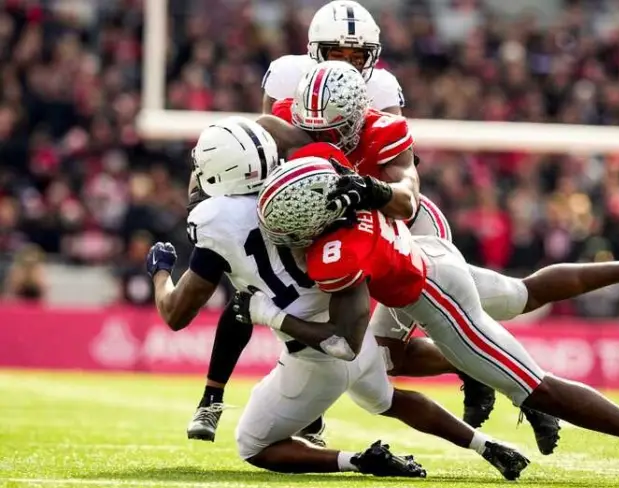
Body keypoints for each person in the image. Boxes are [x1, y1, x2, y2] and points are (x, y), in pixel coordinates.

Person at [239, 153, 619, 486]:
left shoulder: (335, 254)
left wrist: (271, 315)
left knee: (535, 388)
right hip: (431, 254)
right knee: (521, 293)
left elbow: (345, 342)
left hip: (434, 296)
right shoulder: (340, 177)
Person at [188, 0, 524, 448]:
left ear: (374, 56)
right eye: (335, 53)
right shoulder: (287, 76)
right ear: (313, 52)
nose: (346, 63)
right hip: (308, 202)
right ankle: (213, 395)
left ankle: (474, 362)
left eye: (358, 55)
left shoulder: (382, 88)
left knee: (398, 323)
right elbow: (260, 146)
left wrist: (364, 191)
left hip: (364, 206)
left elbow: (397, 167)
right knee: (251, 284)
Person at [148, 116, 531, 479]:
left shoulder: (215, 219)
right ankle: (487, 445)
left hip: (317, 352)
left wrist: (161, 271)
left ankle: (358, 460)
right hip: (356, 331)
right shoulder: (299, 185)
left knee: (253, 444)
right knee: (386, 401)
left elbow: (176, 313)